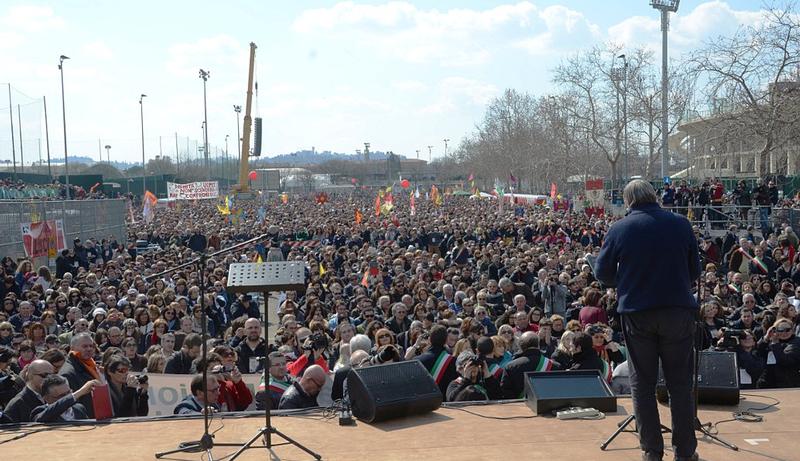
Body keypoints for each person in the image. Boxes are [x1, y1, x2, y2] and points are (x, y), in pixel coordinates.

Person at [594, 179, 700, 461]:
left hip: (638, 312)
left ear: (628, 201)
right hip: (677, 311)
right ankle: (686, 453)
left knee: (642, 383)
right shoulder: (680, 223)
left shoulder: (620, 228)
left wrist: (628, 282)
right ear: (654, 196)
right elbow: (695, 270)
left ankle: (652, 452)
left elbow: (602, 273)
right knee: (680, 384)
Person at [501, 332, 561, 399]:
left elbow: (506, 392)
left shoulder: (510, 367)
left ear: (520, 346)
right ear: (538, 345)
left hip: (520, 407)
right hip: (549, 407)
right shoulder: (555, 366)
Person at [59, 332, 102, 418]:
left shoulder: (90, 365)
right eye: (84, 346)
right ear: (72, 348)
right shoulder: (68, 373)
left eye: (91, 346)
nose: (89, 349)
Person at [31, 374, 97, 422]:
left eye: (69, 392)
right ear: (46, 398)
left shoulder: (79, 409)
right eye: (61, 396)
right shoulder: (40, 412)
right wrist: (79, 392)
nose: (67, 397)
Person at [415, 325, 458, 398]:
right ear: (446, 341)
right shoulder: (452, 361)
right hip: (445, 405)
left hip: (422, 404)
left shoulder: (417, 360)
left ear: (429, 339)